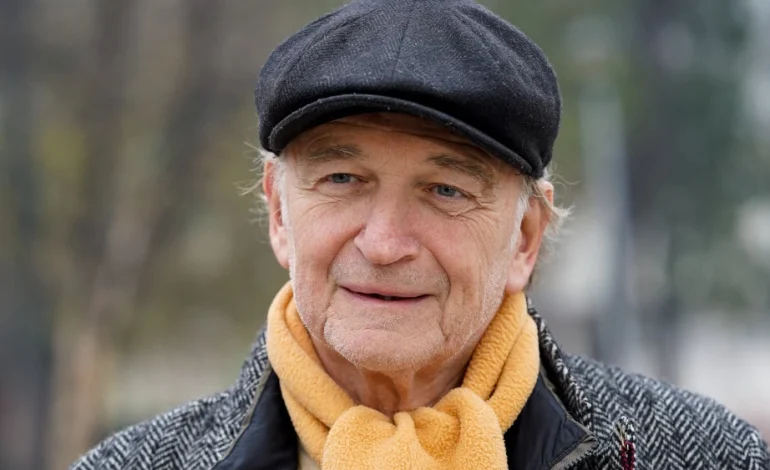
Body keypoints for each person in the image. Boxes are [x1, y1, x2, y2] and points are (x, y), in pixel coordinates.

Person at [71, 0, 769, 469]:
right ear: (280, 214)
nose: (383, 244)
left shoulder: (708, 456)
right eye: (343, 179)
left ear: (526, 237)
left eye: (445, 190)